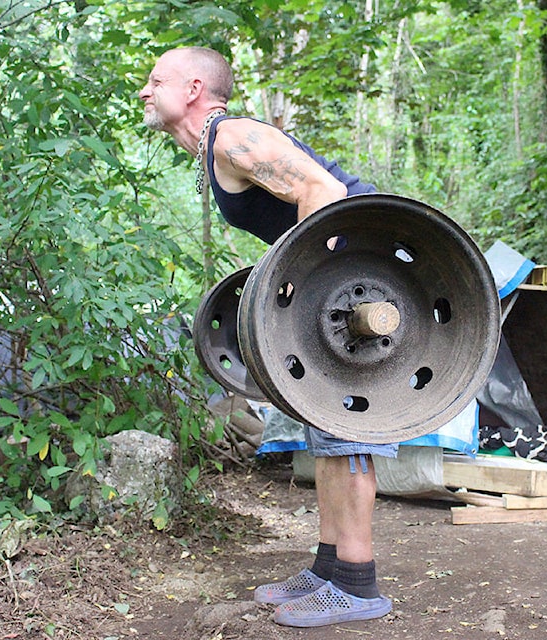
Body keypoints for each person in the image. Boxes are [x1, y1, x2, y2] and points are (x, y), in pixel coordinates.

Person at [139, 46, 395, 628]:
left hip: (366, 276)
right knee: (321, 422)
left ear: (195, 88)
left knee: (346, 426)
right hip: (343, 269)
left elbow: (324, 193)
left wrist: (308, 290)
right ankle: (330, 569)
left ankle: (357, 584)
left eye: (157, 80)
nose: (145, 91)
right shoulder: (215, 148)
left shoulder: (232, 137)